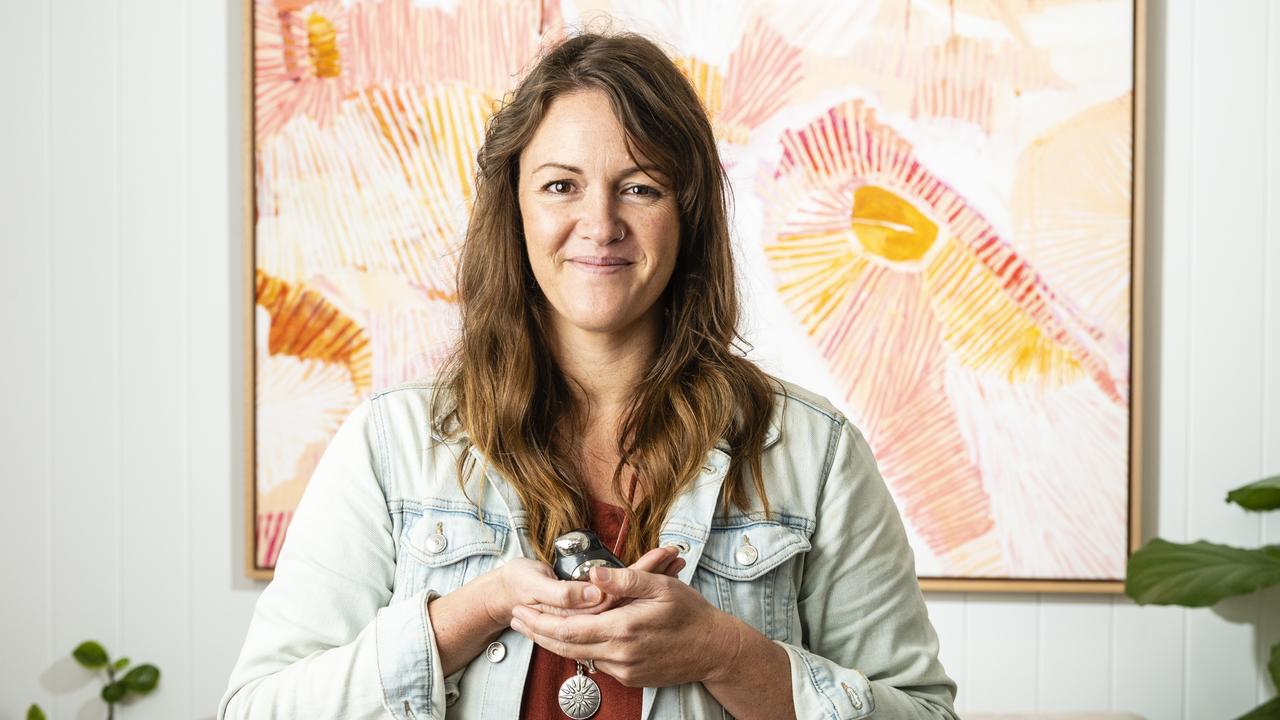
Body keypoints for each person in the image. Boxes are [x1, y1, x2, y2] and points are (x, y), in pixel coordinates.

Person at [220, 31, 958, 720]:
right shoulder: (393, 444)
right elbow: (258, 706)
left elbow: (926, 712)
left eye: (640, 187)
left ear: (689, 213)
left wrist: (726, 653)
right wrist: (469, 615)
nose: (600, 224)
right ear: (514, 206)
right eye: (561, 186)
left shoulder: (814, 452)